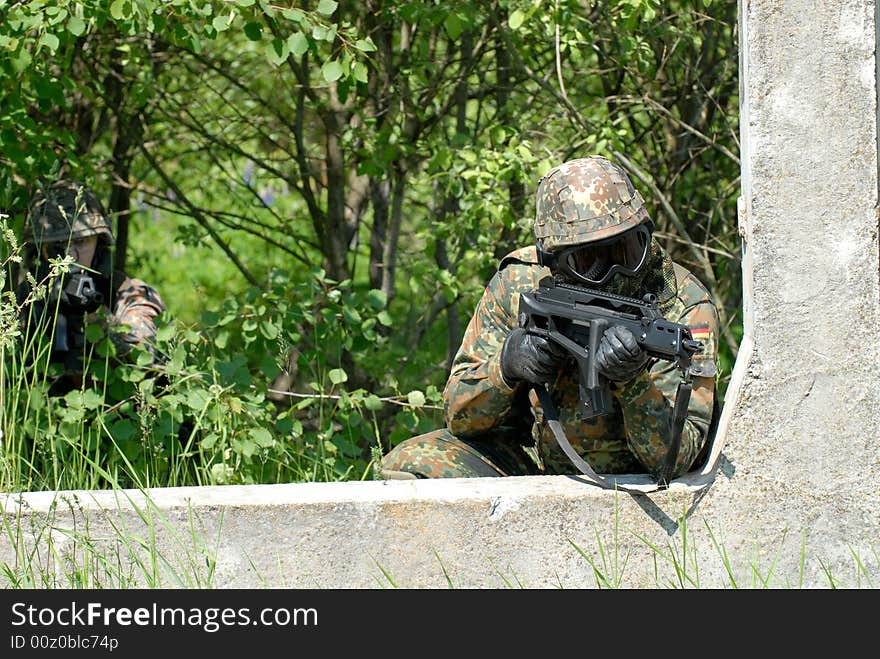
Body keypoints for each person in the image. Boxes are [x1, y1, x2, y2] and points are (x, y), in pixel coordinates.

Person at [380, 155, 719, 482]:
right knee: (415, 460)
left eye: (627, 251)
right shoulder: (519, 285)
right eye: (589, 262)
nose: (615, 274)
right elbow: (458, 416)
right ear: (552, 262)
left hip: (636, 488)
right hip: (536, 470)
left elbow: (677, 460)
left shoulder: (682, 308)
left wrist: (633, 384)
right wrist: (505, 367)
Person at [14, 179, 167, 394]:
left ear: (99, 242)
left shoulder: (128, 294)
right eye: (59, 245)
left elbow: (150, 355)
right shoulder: (26, 298)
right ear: (42, 251)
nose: (71, 256)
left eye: (81, 243)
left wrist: (98, 319)